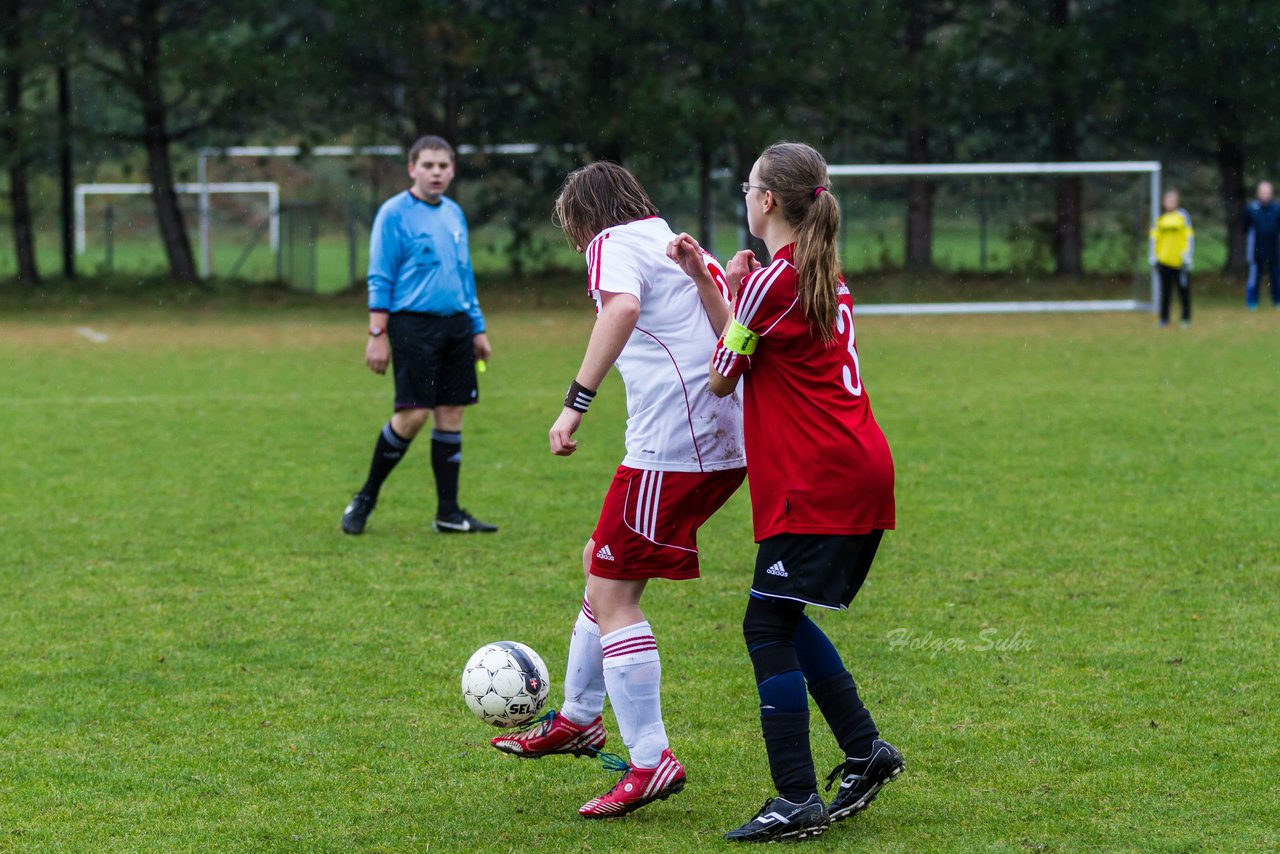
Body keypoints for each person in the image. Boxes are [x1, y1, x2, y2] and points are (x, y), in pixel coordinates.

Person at [490, 162, 746, 819]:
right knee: (600, 562)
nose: (575, 242)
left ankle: (650, 758)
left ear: (585, 216)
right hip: (722, 442)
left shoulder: (615, 243)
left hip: (673, 446)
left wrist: (575, 404)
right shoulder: (682, 243)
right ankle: (579, 717)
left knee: (613, 592)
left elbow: (624, 308)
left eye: (571, 226)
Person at [668, 142, 902, 843]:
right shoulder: (811, 269)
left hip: (817, 478)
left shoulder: (776, 281)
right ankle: (864, 751)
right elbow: (743, 348)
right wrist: (728, 289)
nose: (745, 195)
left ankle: (796, 795)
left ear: (767, 201)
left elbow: (719, 375)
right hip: (849, 467)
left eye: (749, 186)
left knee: (765, 625)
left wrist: (727, 288)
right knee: (784, 618)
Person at [340, 136, 497, 535]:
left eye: (443, 166)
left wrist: (477, 328)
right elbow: (380, 276)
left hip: (457, 325)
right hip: (413, 325)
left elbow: (464, 275)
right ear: (412, 168)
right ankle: (365, 498)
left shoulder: (454, 214)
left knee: (451, 413)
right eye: (428, 165)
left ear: (452, 170)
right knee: (412, 415)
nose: (436, 173)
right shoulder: (393, 214)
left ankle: (449, 513)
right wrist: (377, 333)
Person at [1149, 189, 1195, 327]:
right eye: (1167, 200)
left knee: (1183, 291)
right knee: (1165, 292)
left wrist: (1187, 255)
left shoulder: (1182, 216)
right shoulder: (1160, 218)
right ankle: (1164, 319)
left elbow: (1189, 236)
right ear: (1164, 202)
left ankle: (1186, 318)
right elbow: (1154, 238)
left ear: (1177, 202)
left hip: (1179, 261)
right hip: (1163, 260)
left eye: (1172, 200)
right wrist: (1153, 255)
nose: (1170, 203)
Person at [1243, 180, 1280, 311]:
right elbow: (1245, 228)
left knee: (1276, 276)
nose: (1265, 194)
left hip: (1274, 249)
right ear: (1258, 193)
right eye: (1263, 192)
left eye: (1267, 192)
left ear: (1271, 193)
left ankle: (1277, 300)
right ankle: (1252, 301)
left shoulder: (1277, 208)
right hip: (1256, 250)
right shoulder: (1251, 209)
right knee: (1254, 277)